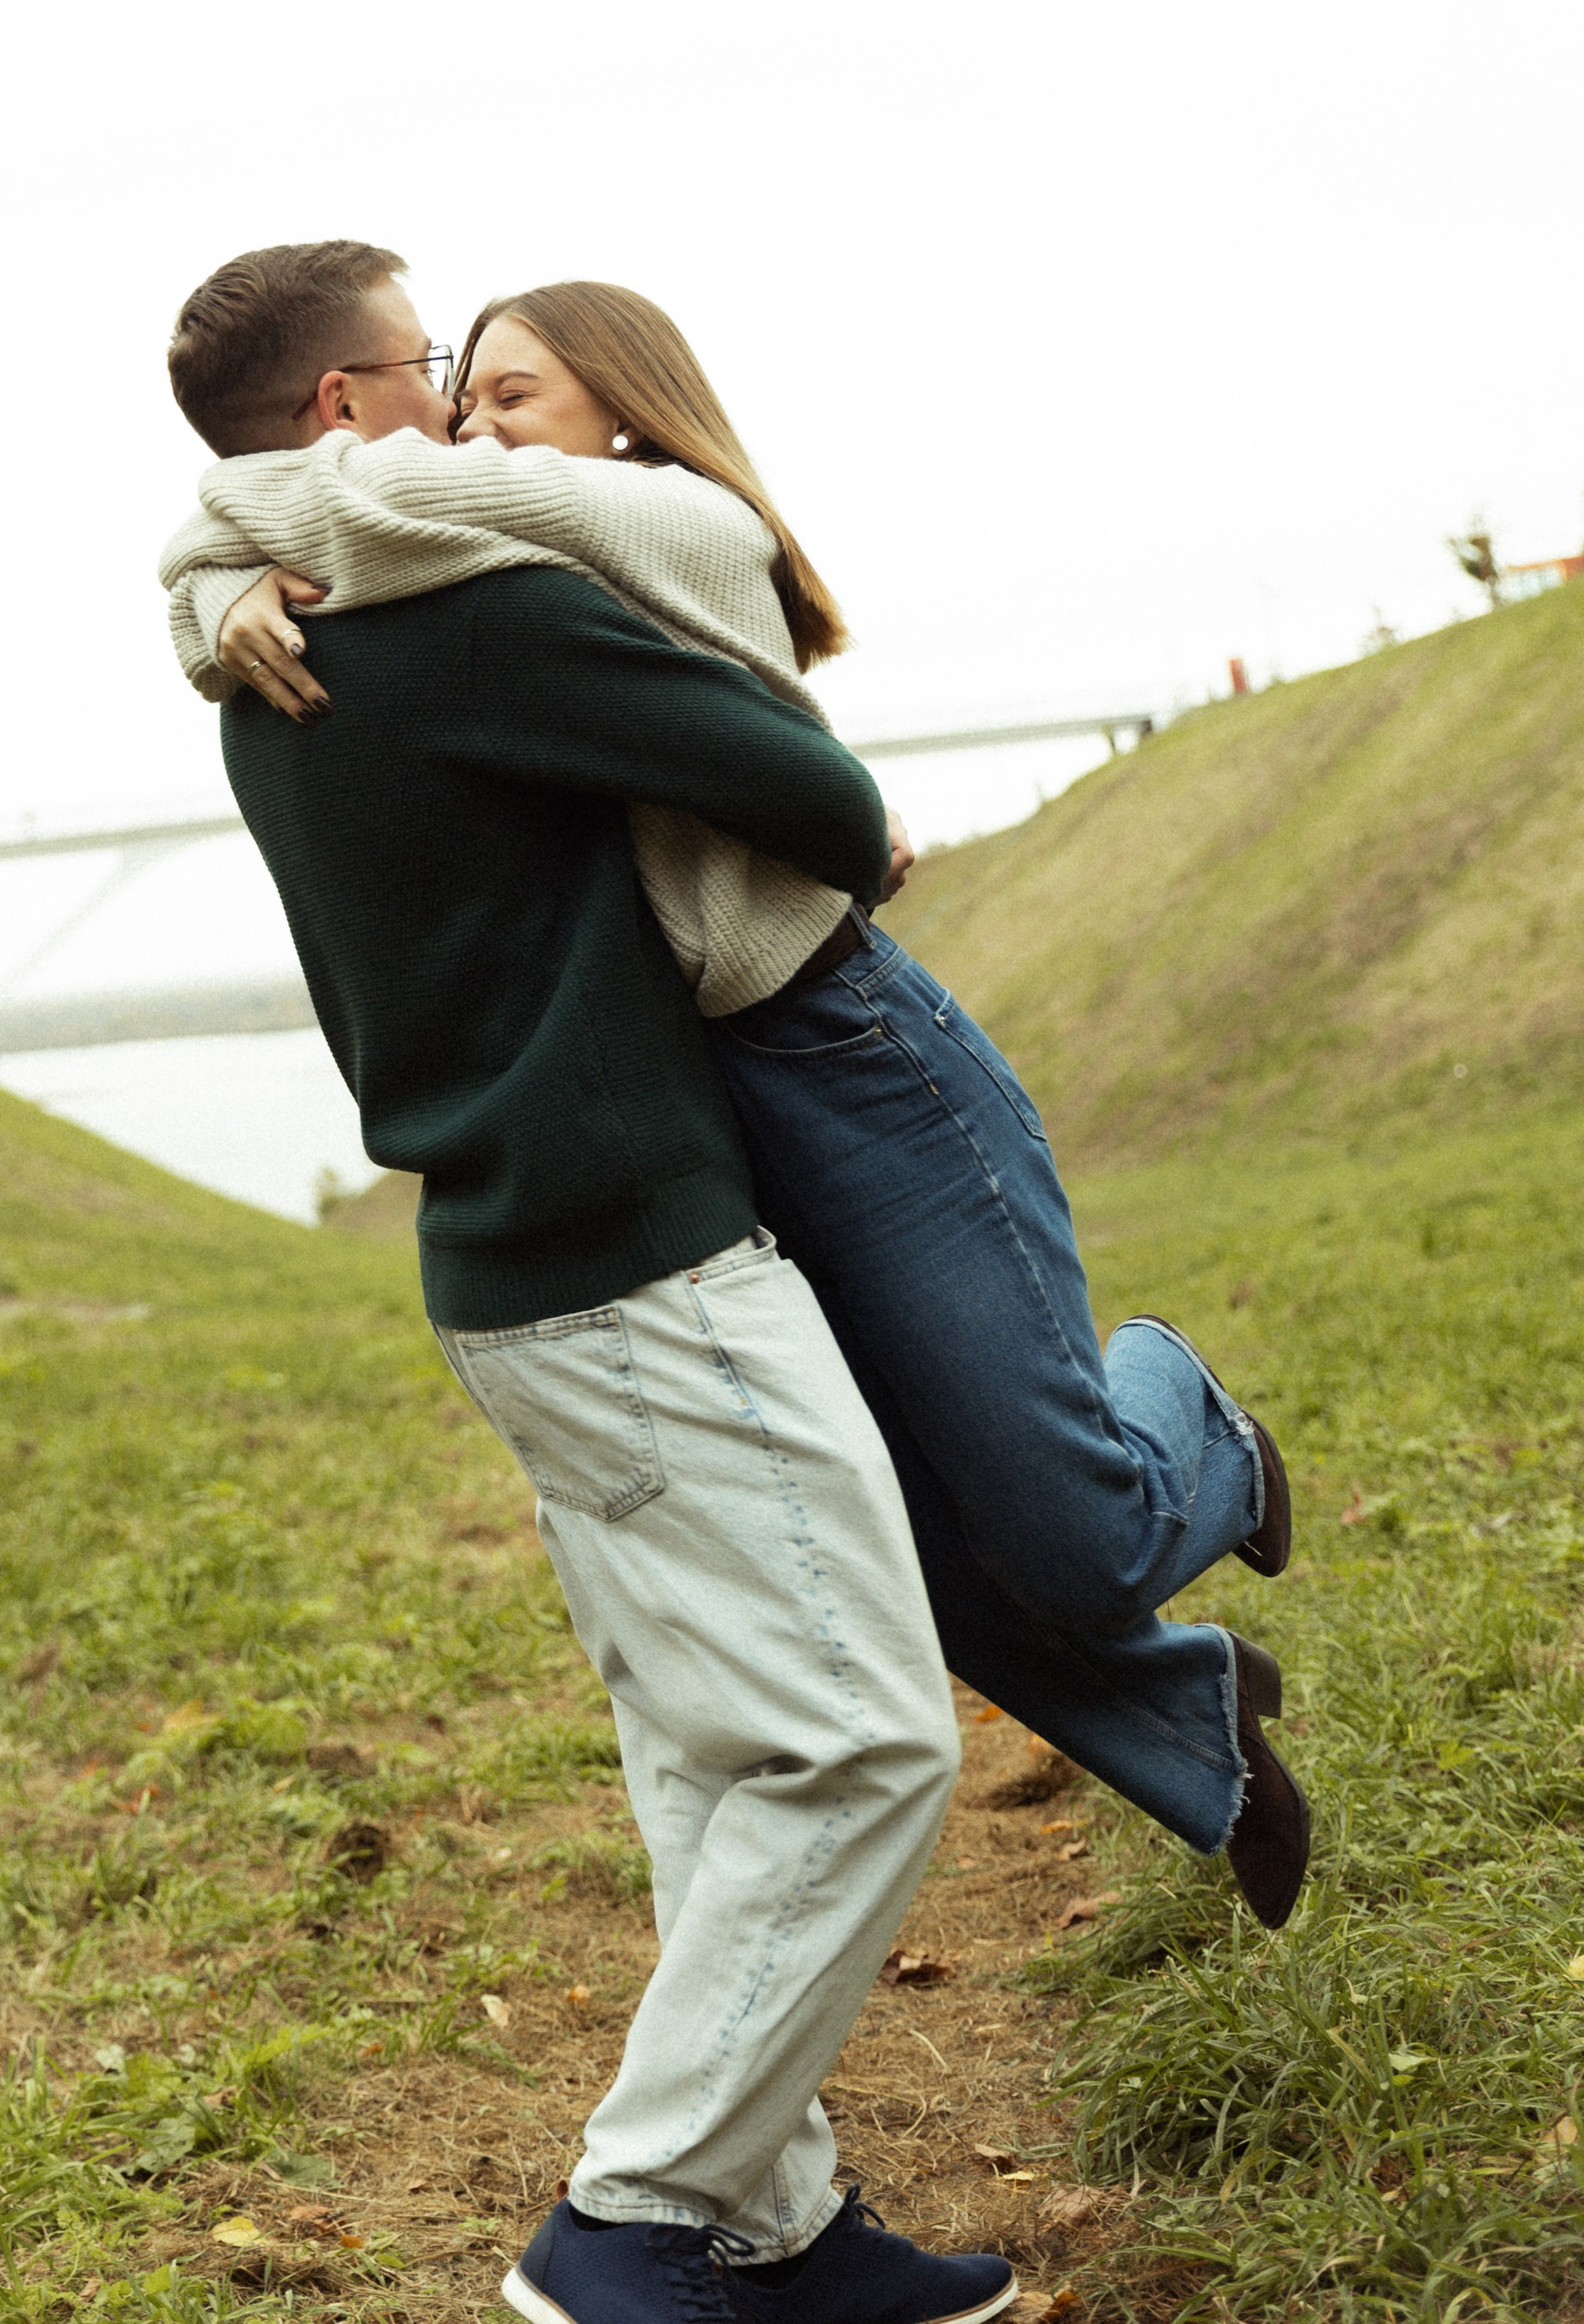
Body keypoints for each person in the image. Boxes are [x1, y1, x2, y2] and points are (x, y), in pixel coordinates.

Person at [163, 274, 1310, 1935]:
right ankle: (1192, 1726)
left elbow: (337, 488)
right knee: (885, 1539)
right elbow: (327, 502)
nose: (471, 428)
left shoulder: (661, 514)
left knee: (1064, 1533)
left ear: (621, 411)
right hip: (714, 1084)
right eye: (453, 388)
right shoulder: (512, 544)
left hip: (847, 1048)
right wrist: (216, 602)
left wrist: (211, 579)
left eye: (508, 395)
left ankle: (1189, 1426)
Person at [159, 242, 1017, 2324]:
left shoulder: (271, 643)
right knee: (858, 1741)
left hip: (503, 1265)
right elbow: (805, 787)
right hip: (641, 1255)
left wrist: (198, 591)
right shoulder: (462, 616)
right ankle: (637, 2219)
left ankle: (772, 2225)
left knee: (716, 1754)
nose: (455, 407)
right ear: (349, 410)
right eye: (421, 366)